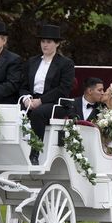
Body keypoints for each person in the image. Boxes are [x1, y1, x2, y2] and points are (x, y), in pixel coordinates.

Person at [19, 24, 75, 165]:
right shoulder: (32, 61)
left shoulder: (65, 64)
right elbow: (23, 85)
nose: (45, 45)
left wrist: (41, 101)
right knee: (13, 112)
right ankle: (15, 152)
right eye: (43, 41)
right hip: (32, 101)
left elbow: (63, 89)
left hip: (56, 103)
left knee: (38, 113)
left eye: (49, 42)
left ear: (57, 44)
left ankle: (35, 153)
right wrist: (26, 99)